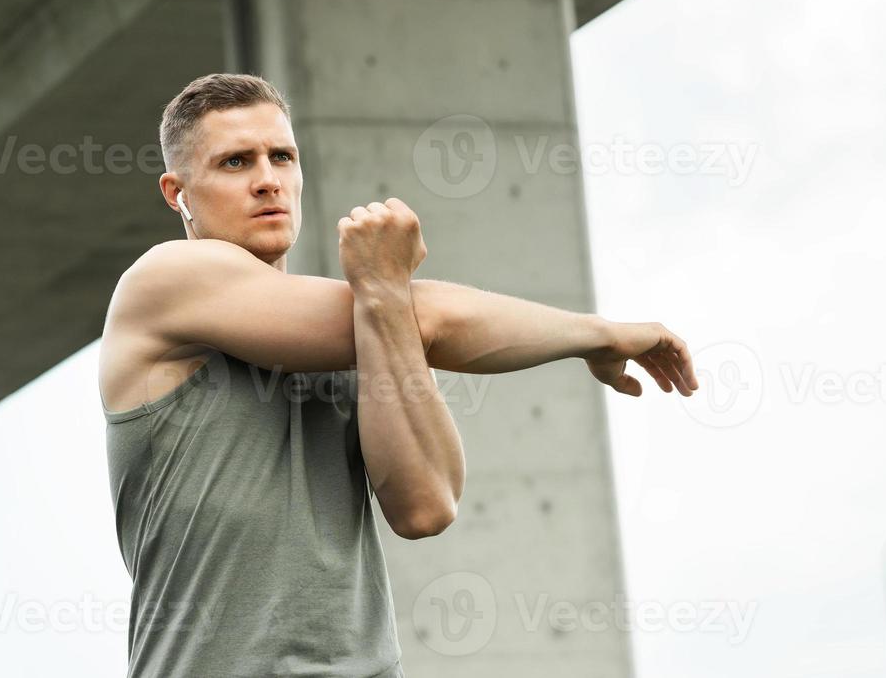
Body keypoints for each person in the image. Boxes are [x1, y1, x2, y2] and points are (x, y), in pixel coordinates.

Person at [99, 72, 696, 678]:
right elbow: (430, 315)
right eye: (234, 162)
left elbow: (426, 507)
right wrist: (599, 334)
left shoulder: (364, 328)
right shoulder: (165, 280)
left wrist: (383, 298)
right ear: (178, 193)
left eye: (281, 155)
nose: (267, 179)